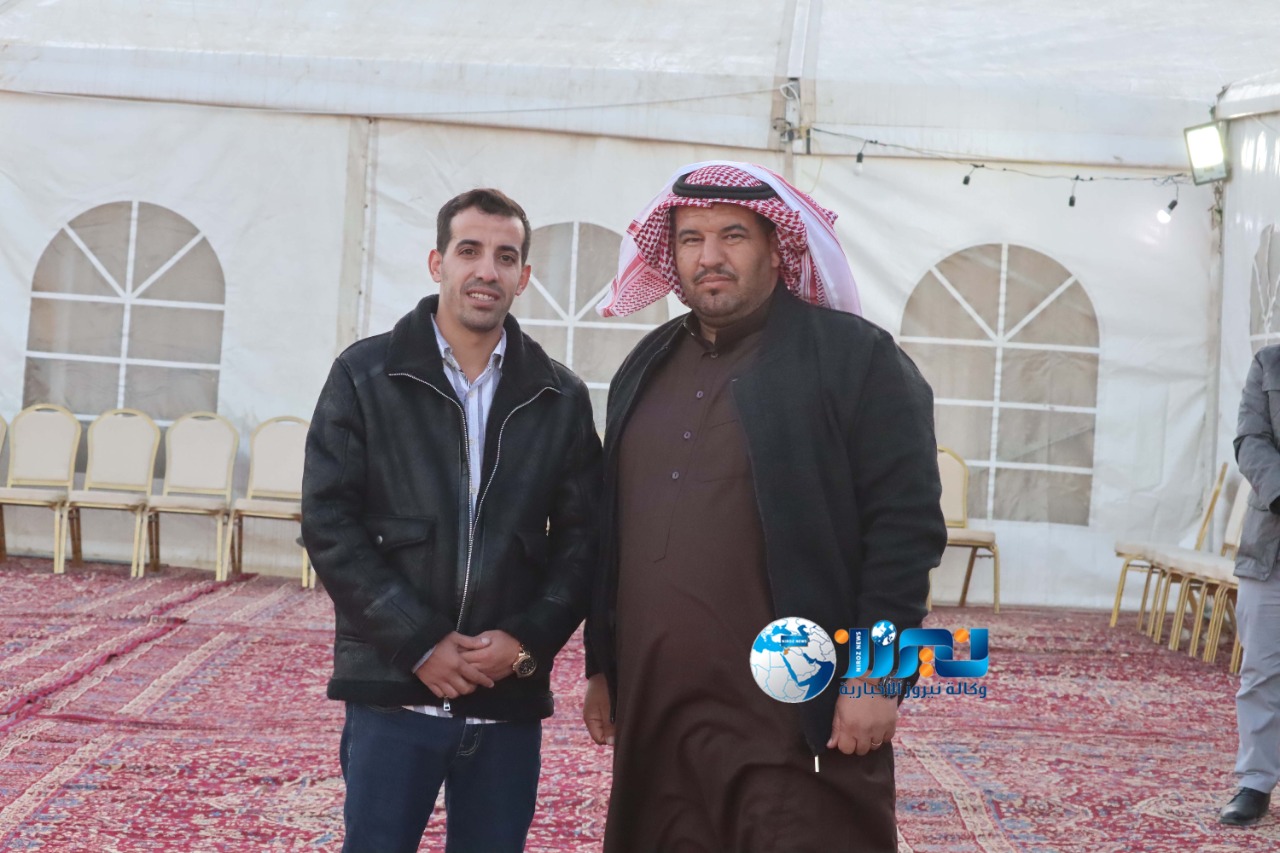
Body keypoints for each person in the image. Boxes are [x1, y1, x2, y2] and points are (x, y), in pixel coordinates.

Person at [582, 161, 948, 851]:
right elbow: (611, 530)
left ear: (778, 248)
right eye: (690, 239)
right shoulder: (646, 363)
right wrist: (600, 663)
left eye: (733, 235)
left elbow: (906, 532)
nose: (709, 256)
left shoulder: (856, 358)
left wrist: (878, 676)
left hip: (793, 720)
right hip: (660, 716)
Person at [302, 188, 601, 852]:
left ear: (524, 276)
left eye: (505, 257)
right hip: (394, 695)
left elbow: (583, 541)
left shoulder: (560, 396)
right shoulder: (364, 375)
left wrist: (525, 642)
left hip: (505, 703)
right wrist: (419, 643)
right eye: (470, 251)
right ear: (438, 262)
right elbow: (329, 521)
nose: (486, 271)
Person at [1222, 345, 1280, 826]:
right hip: (1269, 549)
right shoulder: (1269, 362)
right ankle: (1256, 783)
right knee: (1260, 671)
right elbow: (1250, 440)